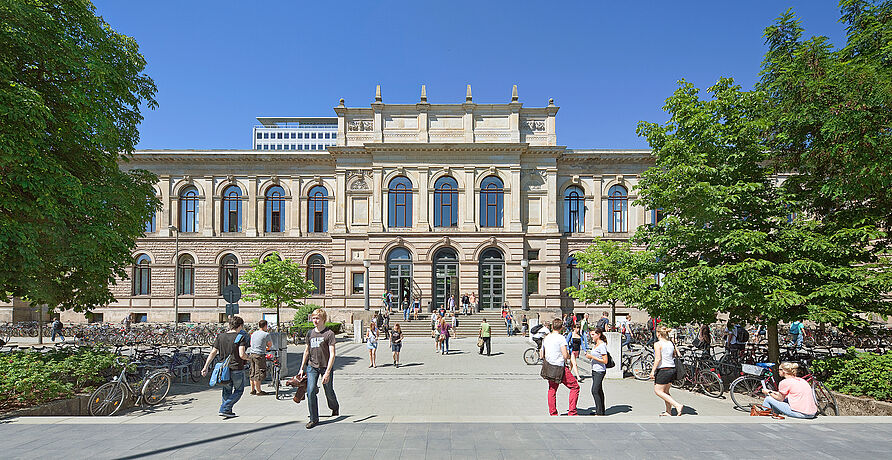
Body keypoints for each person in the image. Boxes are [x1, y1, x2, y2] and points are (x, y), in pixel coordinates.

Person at [297, 308, 339, 429]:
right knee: (310, 391)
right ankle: (314, 418)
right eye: (313, 318)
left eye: (317, 318)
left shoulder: (329, 334)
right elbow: (306, 351)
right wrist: (301, 368)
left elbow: (332, 354)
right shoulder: (310, 333)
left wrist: (327, 372)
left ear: (323, 319)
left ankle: (334, 407)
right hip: (312, 366)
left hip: (326, 367)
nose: (315, 320)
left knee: (328, 390)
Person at [201, 315, 250, 418]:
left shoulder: (220, 336)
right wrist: (250, 358)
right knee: (239, 390)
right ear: (240, 326)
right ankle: (224, 407)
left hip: (224, 369)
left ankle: (227, 410)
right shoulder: (240, 337)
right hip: (236, 368)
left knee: (226, 390)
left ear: (229, 325)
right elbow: (242, 355)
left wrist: (206, 366)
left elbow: (213, 352)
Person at [541, 318, 580, 416]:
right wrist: (567, 353)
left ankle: (553, 413)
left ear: (552, 326)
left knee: (552, 389)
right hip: (560, 367)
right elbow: (565, 355)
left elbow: (542, 354)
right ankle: (572, 411)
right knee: (575, 387)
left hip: (549, 366)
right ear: (562, 327)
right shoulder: (561, 338)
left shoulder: (547, 338)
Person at [650, 325, 684, 416]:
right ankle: (668, 411)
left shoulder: (658, 344)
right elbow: (678, 354)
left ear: (658, 334)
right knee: (666, 392)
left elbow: (658, 359)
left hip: (663, 370)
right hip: (672, 369)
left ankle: (677, 405)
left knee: (658, 391)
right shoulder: (671, 343)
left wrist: (652, 371)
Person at [584, 327, 609, 416]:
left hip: (600, 370)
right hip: (595, 370)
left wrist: (592, 357)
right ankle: (601, 410)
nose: (592, 336)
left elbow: (605, 361)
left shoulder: (602, 345)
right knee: (599, 390)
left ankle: (599, 412)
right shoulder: (596, 344)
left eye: (593, 335)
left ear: (599, 335)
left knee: (594, 390)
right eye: (591, 335)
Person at [248, 320, 273, 396]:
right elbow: (270, 345)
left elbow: (251, 343)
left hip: (252, 354)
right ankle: (259, 391)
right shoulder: (266, 334)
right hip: (259, 355)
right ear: (265, 326)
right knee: (258, 373)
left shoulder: (253, 333)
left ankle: (252, 390)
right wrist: (267, 347)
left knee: (252, 372)